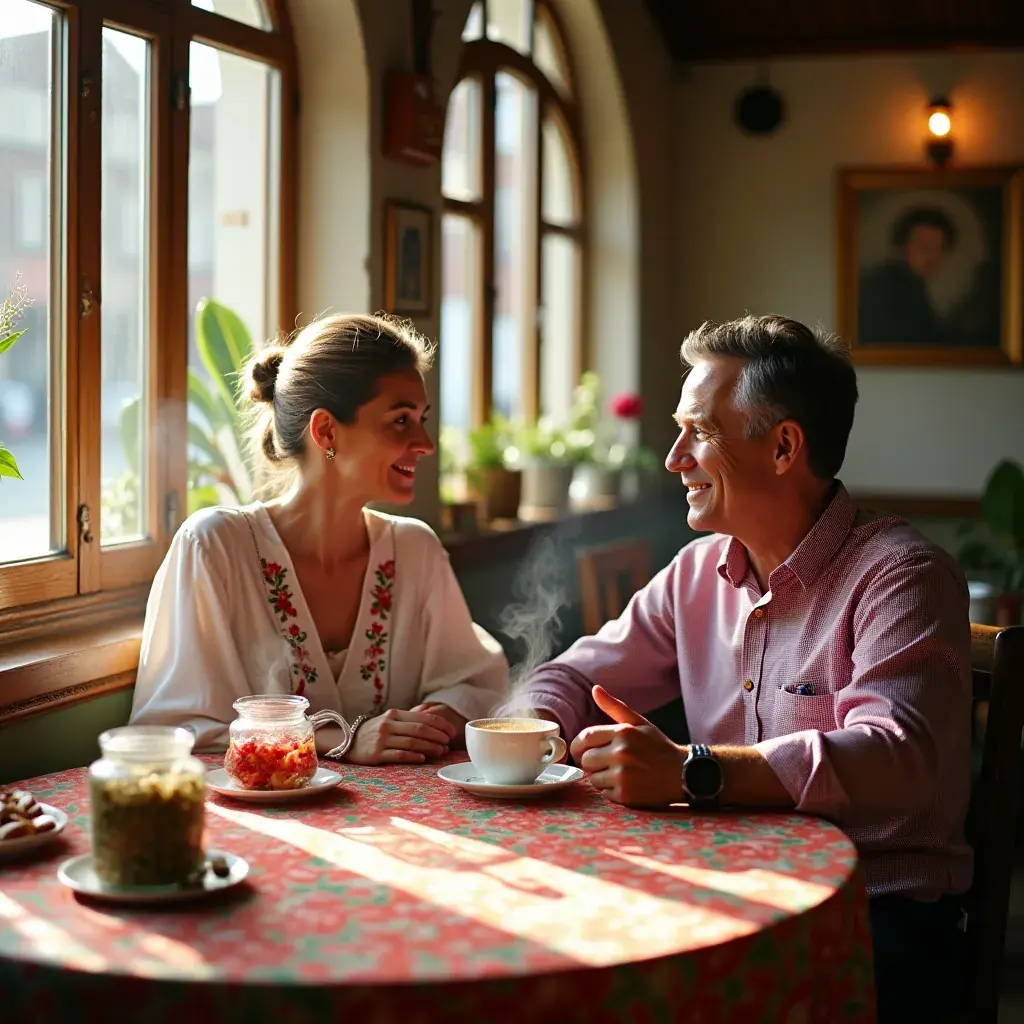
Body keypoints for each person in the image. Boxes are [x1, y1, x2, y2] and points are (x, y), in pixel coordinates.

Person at [507, 314, 971, 1022]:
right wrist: (530, 730)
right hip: (732, 887)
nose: (674, 459)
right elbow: (572, 676)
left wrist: (693, 771)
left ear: (783, 447)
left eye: (699, 432)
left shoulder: (902, 576)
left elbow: (895, 757)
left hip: (875, 914)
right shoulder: (696, 573)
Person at [131, 314, 508, 763]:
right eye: (401, 420)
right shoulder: (214, 547)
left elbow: (476, 681)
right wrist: (343, 739)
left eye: (421, 419)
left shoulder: (415, 550)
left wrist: (431, 719)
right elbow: (173, 731)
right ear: (326, 430)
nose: (425, 443)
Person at [858, 206, 956, 344]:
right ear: (901, 247)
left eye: (938, 249)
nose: (932, 257)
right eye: (924, 247)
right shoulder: (884, 288)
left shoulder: (913, 286)